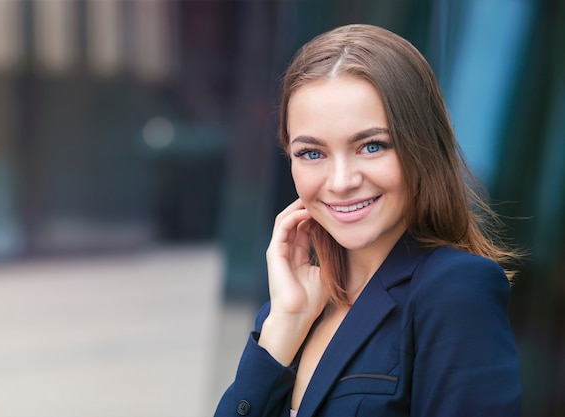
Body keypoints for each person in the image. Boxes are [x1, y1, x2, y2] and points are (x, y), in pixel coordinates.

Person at [214, 23, 522, 417]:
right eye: (312, 153)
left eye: (371, 146)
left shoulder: (454, 290)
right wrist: (284, 325)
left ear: (422, 147)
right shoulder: (288, 311)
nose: (342, 182)